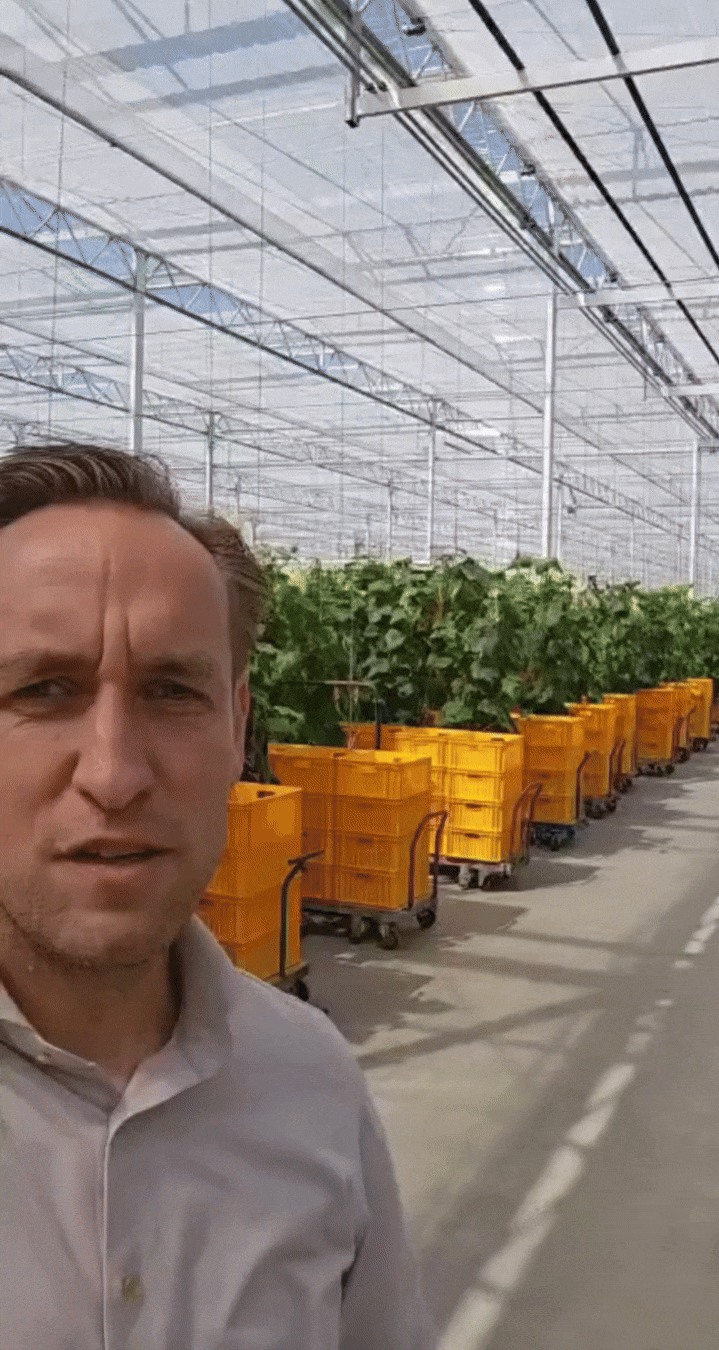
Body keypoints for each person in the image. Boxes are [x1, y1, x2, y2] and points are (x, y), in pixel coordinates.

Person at [0, 441, 432, 1349]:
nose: (115, 776)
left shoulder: (312, 1082)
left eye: (170, 690)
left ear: (239, 724)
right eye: (44, 689)